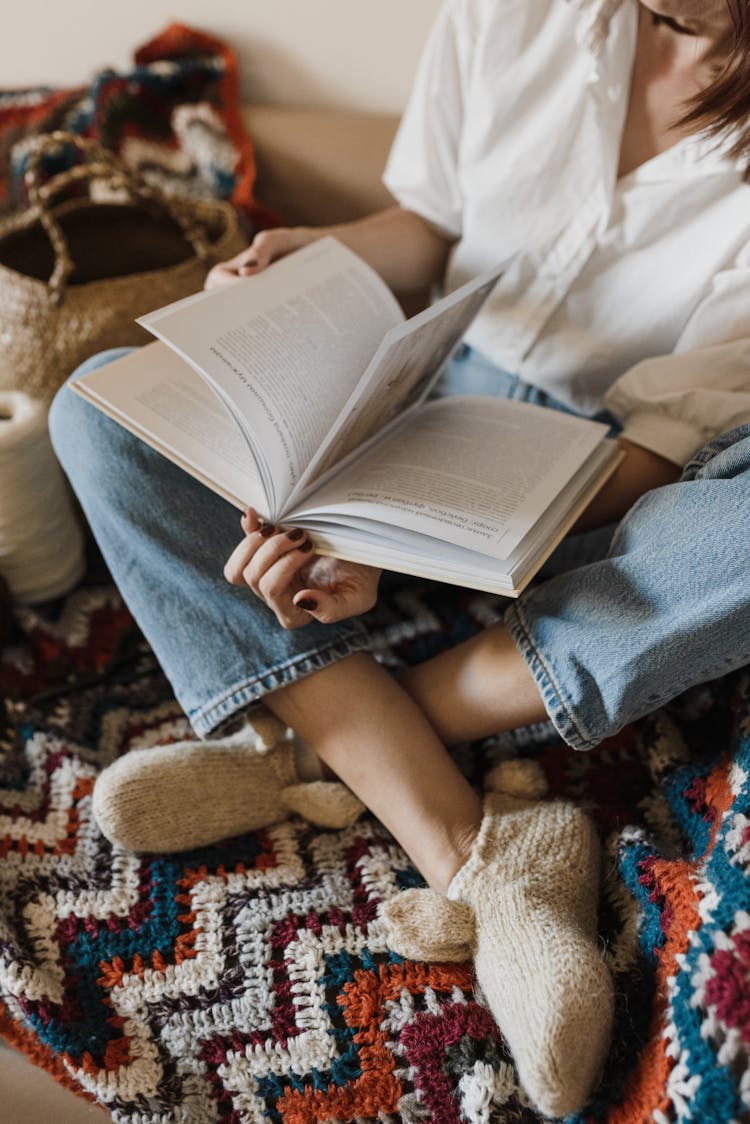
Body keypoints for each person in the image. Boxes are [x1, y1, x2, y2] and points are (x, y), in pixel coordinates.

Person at [49, 0, 750, 1114]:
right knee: (97, 408)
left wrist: (400, 540)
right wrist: (307, 265)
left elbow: (656, 455)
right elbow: (427, 227)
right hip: (421, 384)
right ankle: (477, 846)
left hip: (608, 481)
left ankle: (315, 742)